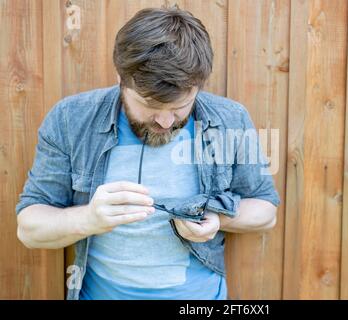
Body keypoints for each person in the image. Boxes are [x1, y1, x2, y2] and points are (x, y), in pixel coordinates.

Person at [15, 7, 280, 300]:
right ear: (121, 79)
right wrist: (90, 218)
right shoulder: (70, 119)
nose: (166, 122)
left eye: (180, 107)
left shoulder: (230, 118)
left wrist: (219, 219)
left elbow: (266, 211)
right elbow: (29, 228)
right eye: (151, 105)